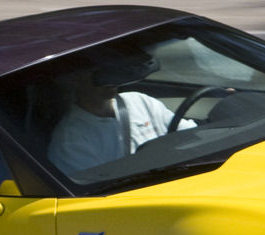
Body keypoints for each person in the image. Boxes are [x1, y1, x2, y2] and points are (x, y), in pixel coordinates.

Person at [48, 62, 194, 174]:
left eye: (111, 69)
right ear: (73, 79)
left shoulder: (139, 101)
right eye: (99, 73)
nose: (110, 79)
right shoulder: (70, 140)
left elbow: (191, 136)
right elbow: (99, 192)